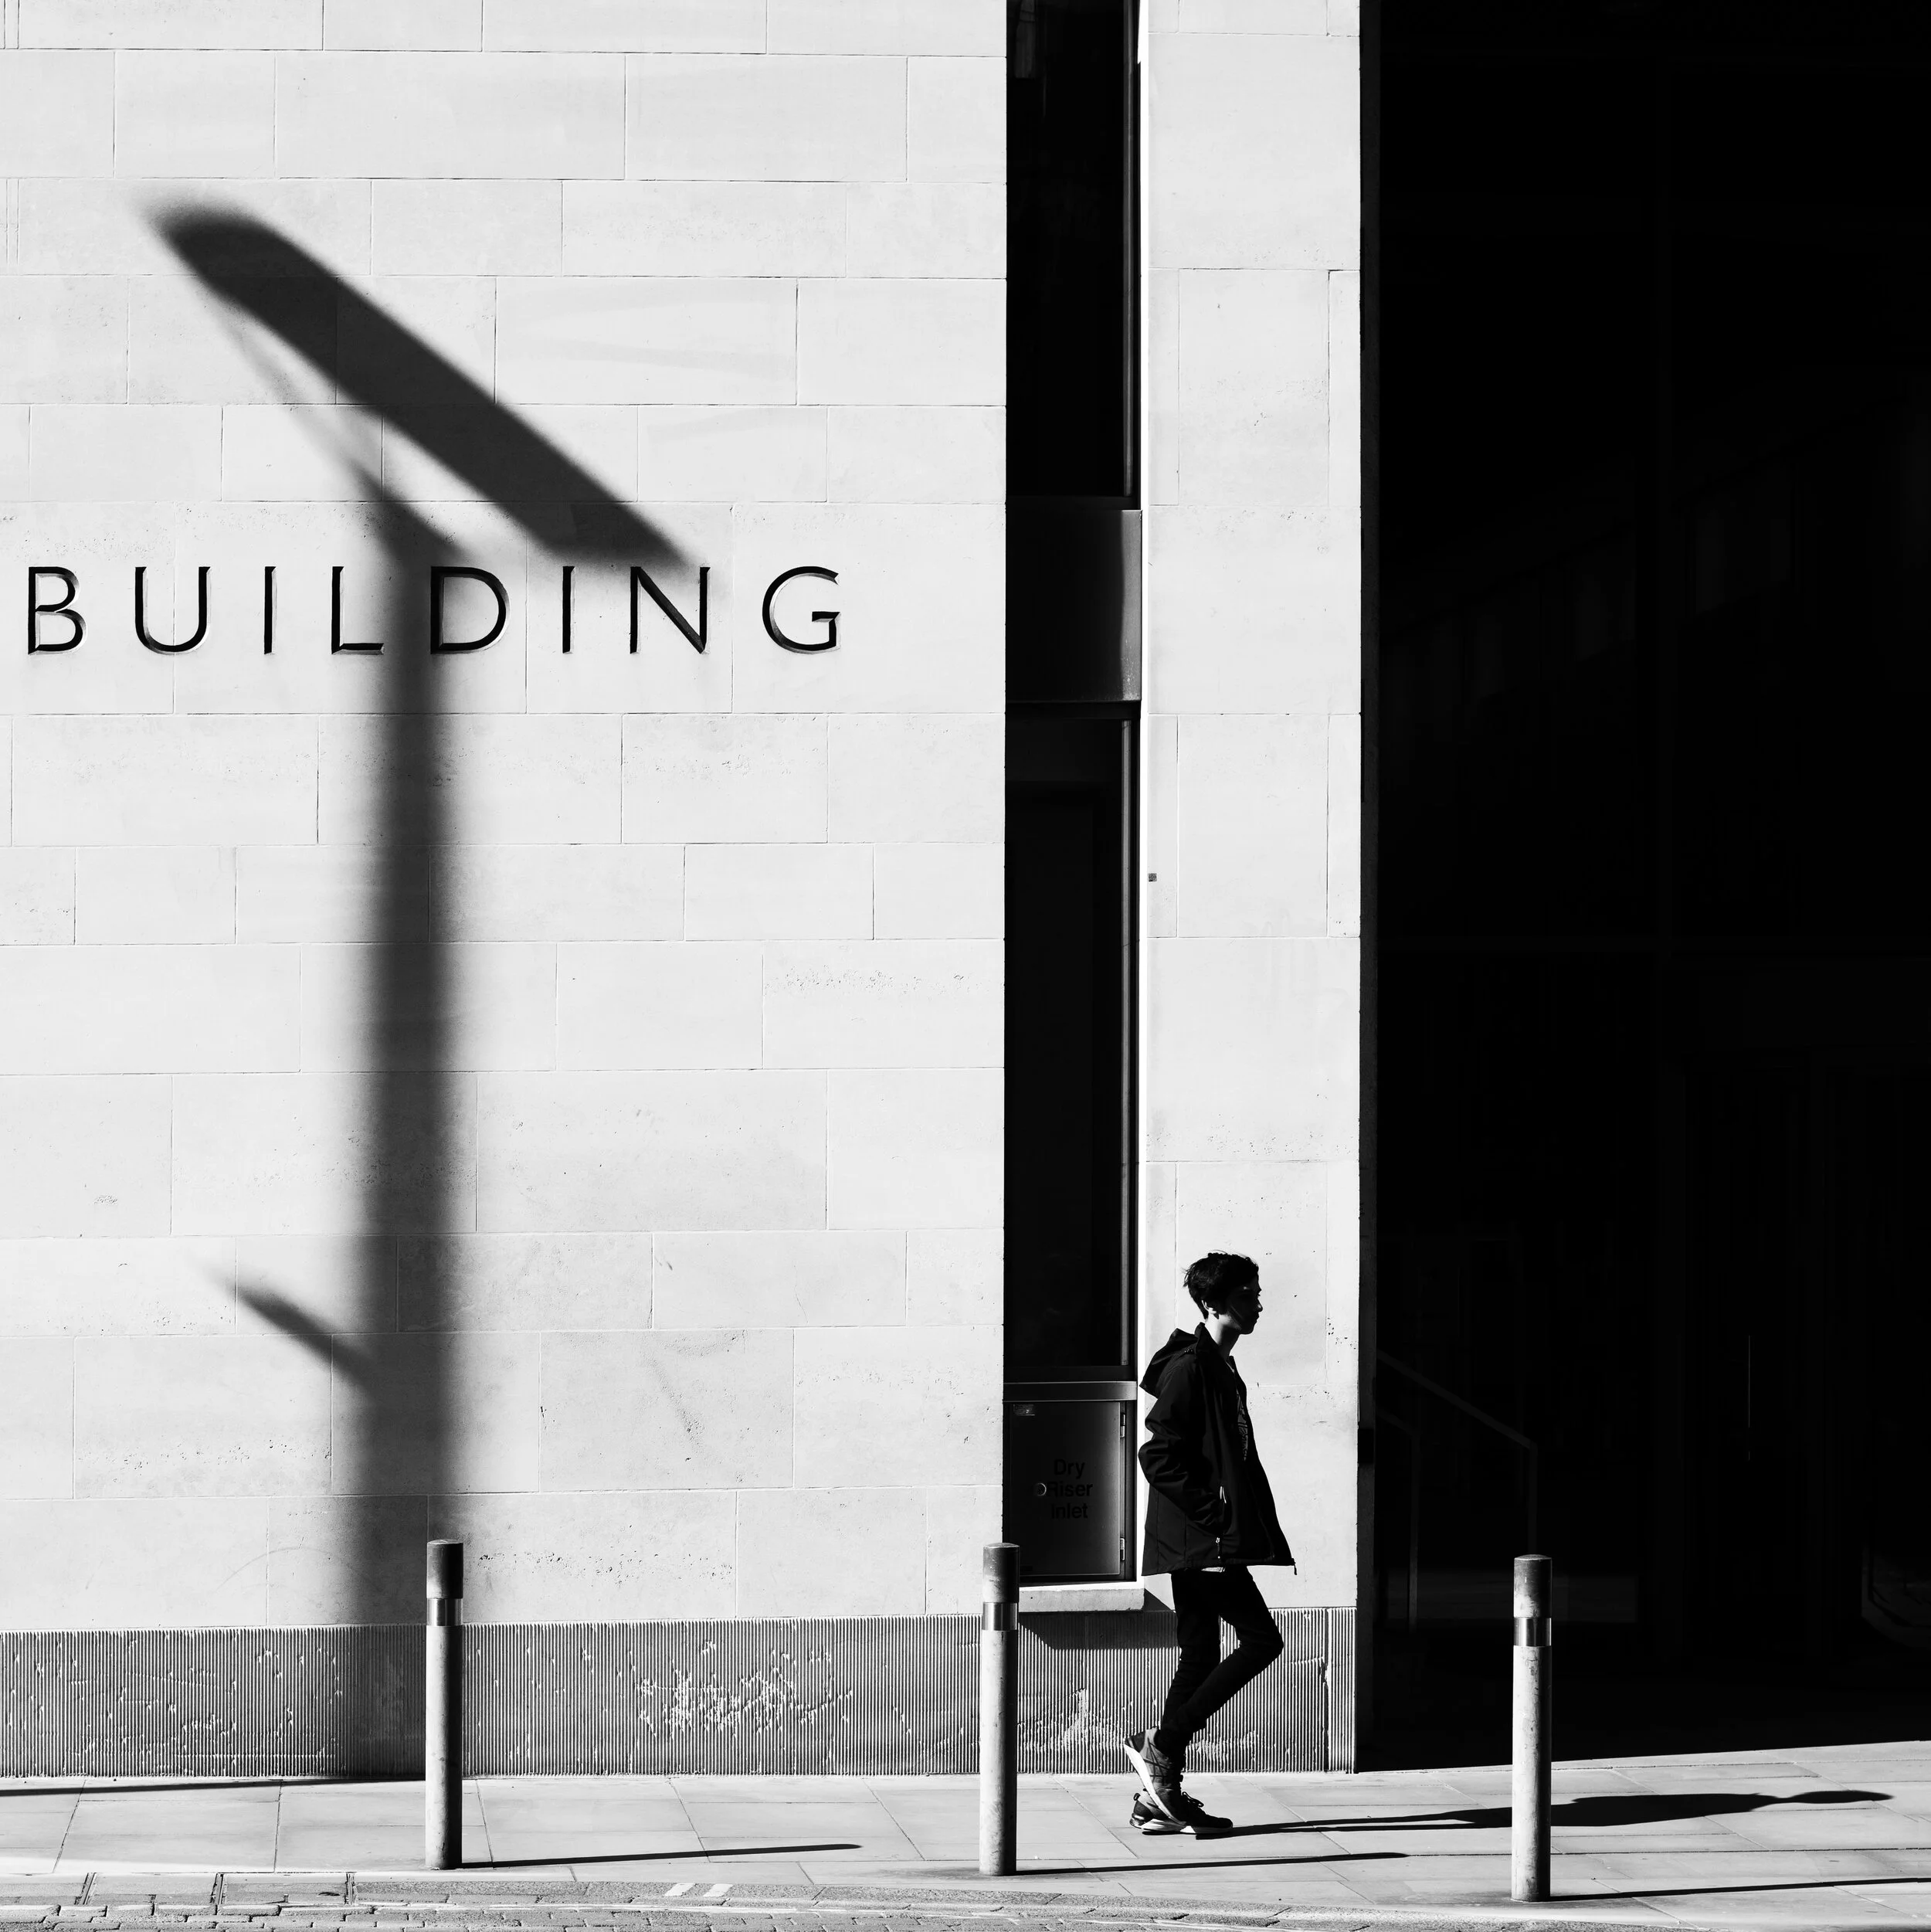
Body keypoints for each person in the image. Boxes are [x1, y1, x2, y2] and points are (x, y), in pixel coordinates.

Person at [1123, 1251, 1293, 1835]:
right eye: (1249, 1293)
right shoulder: (1193, 1366)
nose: (1259, 1302)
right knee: (1262, 1639)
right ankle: (1161, 1744)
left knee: (1199, 1654)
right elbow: (1157, 1454)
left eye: (1257, 1291)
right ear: (1215, 1303)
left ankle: (1157, 1796)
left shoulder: (1217, 1365)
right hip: (1203, 1539)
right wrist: (1215, 1514)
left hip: (1203, 1539)